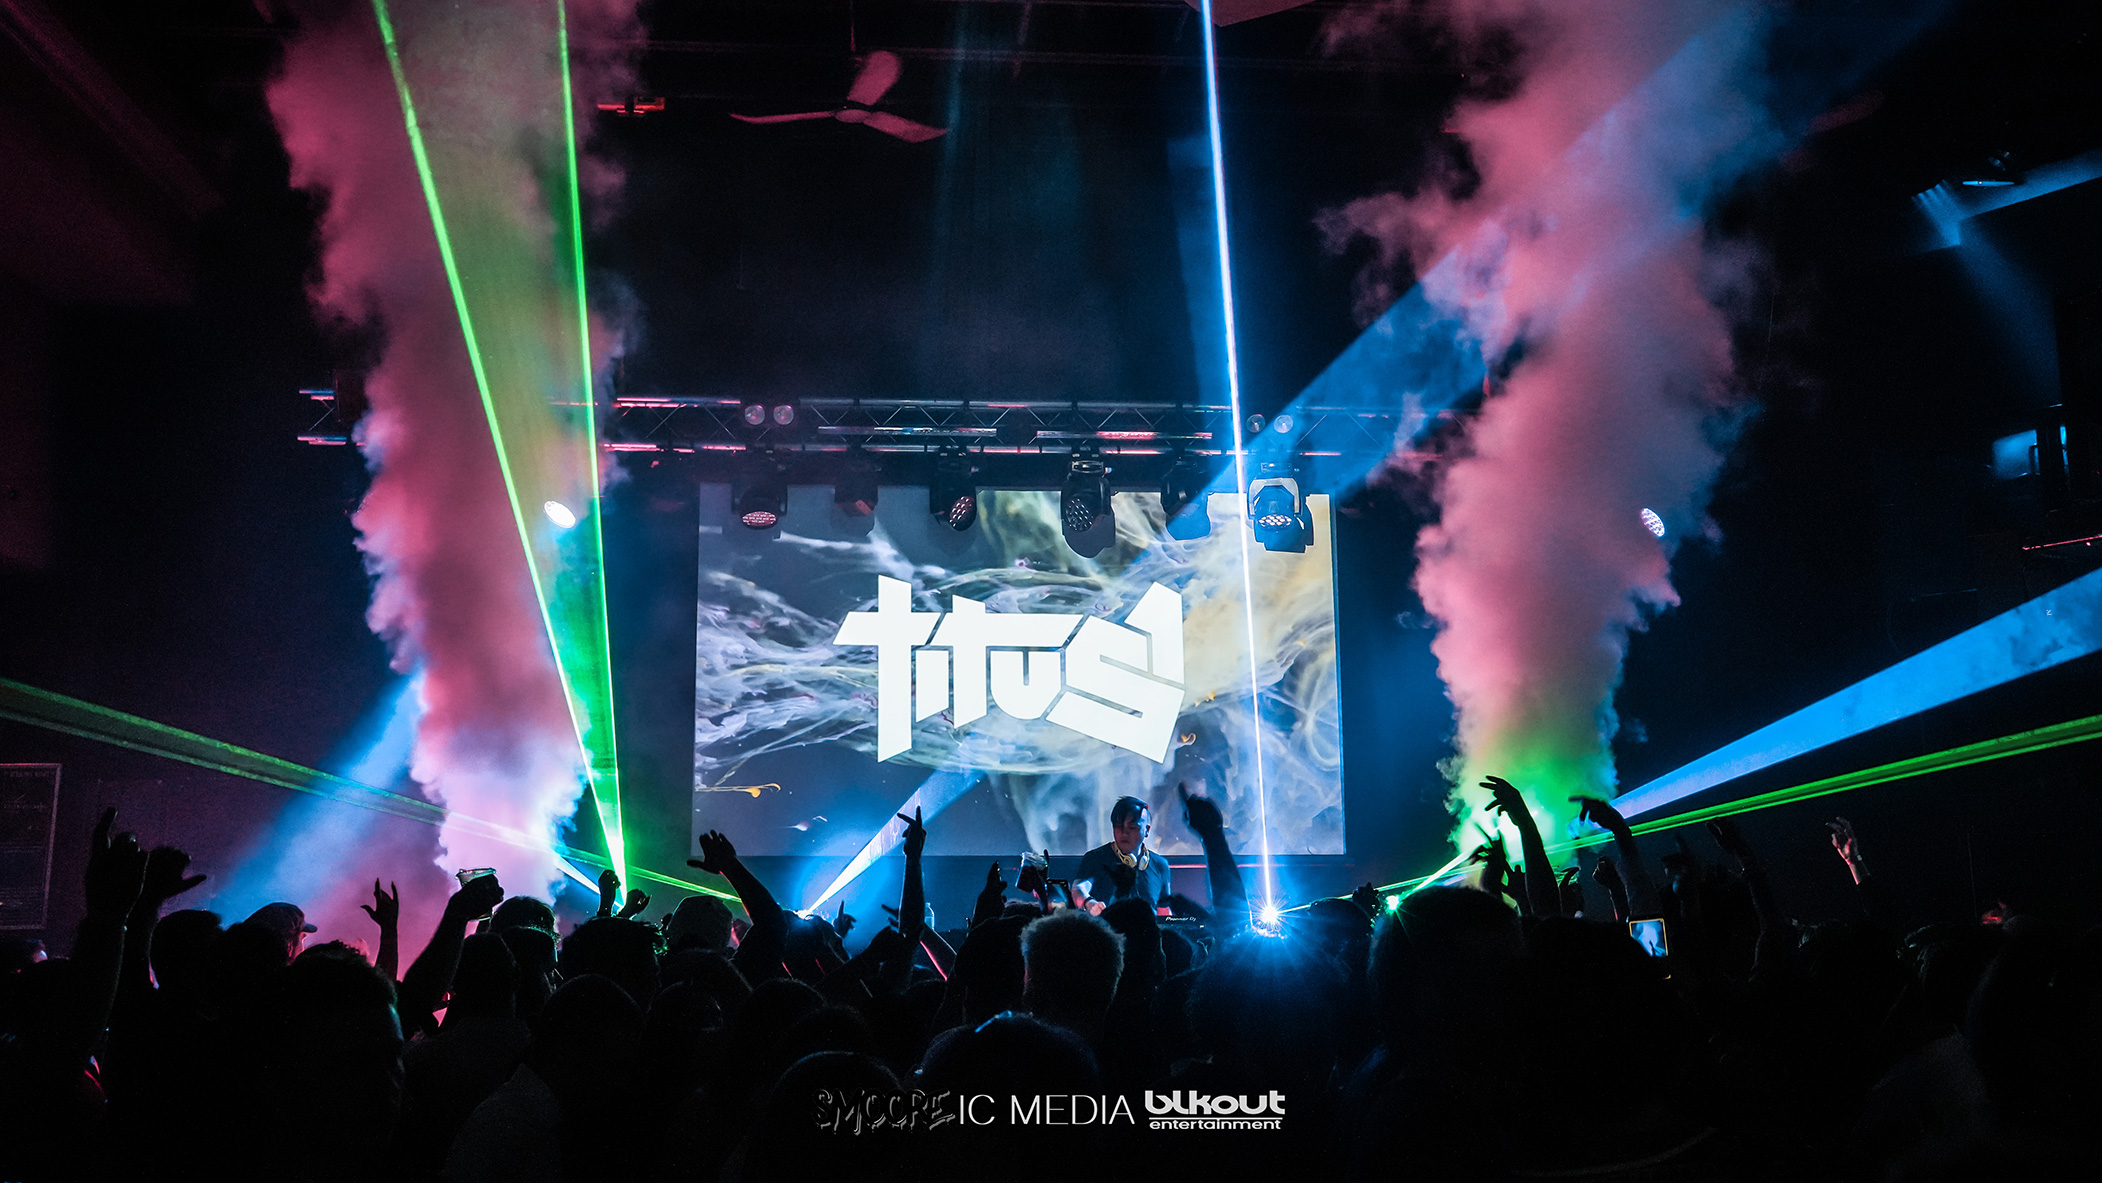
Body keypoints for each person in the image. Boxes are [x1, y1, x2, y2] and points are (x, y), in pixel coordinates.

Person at [1072, 795, 1170, 911]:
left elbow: (1164, 909)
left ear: (1147, 830)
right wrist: (1090, 903)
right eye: (1118, 826)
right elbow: (1078, 888)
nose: (1124, 833)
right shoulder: (1095, 858)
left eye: (1132, 827)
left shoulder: (1160, 865)